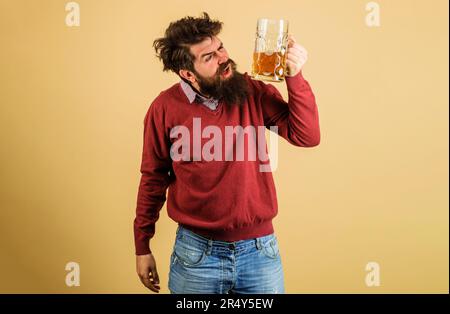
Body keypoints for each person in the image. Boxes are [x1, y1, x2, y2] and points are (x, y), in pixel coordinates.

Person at [134, 12, 320, 294]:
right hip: (195, 256)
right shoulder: (164, 108)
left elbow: (306, 136)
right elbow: (153, 178)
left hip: (260, 254)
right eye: (208, 57)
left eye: (220, 47)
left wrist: (295, 78)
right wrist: (142, 245)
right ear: (187, 73)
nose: (223, 57)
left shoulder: (253, 91)